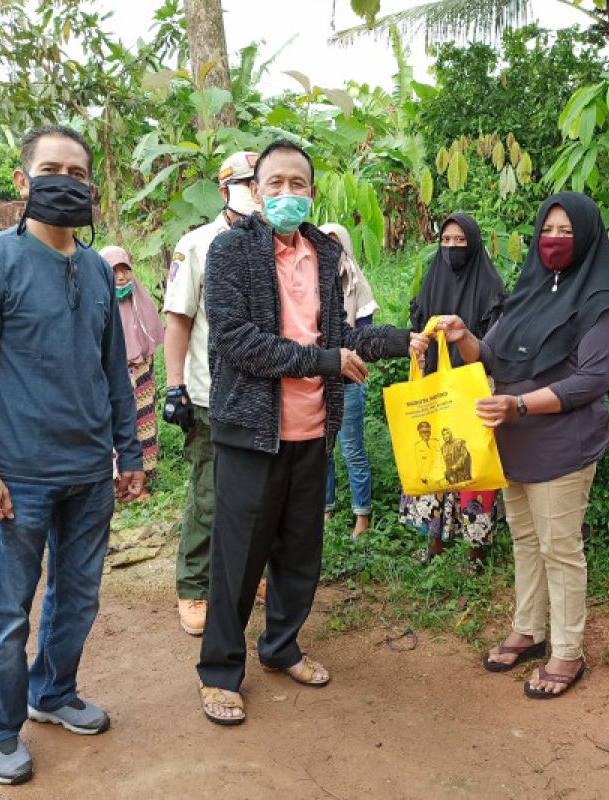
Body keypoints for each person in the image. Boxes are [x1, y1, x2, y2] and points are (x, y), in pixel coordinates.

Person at [196, 139, 427, 726]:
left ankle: (281, 647)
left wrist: (407, 341)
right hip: (250, 431)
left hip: (312, 431)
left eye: (298, 184)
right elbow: (237, 340)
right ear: (255, 190)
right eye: (275, 184)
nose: (287, 195)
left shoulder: (324, 253)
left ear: (313, 192)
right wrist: (326, 362)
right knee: (238, 559)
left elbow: (345, 332)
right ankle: (221, 672)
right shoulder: (229, 252)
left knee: (300, 553)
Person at [0, 125, 144, 785]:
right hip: (17, 480)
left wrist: (130, 451)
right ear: (23, 181)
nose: (67, 180)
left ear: (90, 186)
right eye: (52, 168)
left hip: (89, 473)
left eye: (78, 171)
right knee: (9, 609)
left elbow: (113, 370)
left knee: (79, 597)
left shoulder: (94, 268)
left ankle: (53, 693)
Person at [438, 192, 609, 699]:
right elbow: (493, 357)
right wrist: (462, 337)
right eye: (549, 229)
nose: (555, 241)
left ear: (586, 237)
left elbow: (592, 379)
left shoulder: (601, 304)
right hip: (514, 446)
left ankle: (567, 652)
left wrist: (519, 406)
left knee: (560, 549)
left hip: (562, 446)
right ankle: (529, 628)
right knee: (525, 541)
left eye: (567, 232)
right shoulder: (529, 290)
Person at [161, 151, 261, 636]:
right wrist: (174, 385)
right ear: (225, 191)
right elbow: (178, 320)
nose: (257, 191)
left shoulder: (279, 244)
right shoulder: (198, 245)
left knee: (258, 495)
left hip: (265, 395)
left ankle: (249, 572)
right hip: (209, 393)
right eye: (246, 182)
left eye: (261, 182)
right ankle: (194, 586)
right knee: (209, 494)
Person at [402, 213, 508, 570]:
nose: (451, 248)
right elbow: (417, 325)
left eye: (460, 241)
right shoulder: (433, 280)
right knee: (434, 461)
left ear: (474, 244)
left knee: (470, 466)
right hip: (435, 386)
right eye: (446, 240)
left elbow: (495, 344)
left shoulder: (490, 288)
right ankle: (435, 541)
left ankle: (477, 549)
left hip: (473, 389)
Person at [319, 222, 379, 540]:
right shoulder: (308, 282)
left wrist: (342, 358)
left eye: (334, 244)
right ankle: (326, 510)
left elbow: (363, 335)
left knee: (352, 449)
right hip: (317, 378)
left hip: (350, 378)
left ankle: (362, 516)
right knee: (321, 450)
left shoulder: (357, 284)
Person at [100, 245, 166, 483]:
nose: (120, 277)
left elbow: (152, 335)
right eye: (114, 271)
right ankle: (117, 479)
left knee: (144, 423)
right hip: (110, 375)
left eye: (125, 270)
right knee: (114, 424)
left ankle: (145, 476)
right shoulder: (97, 304)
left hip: (141, 372)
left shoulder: (140, 299)